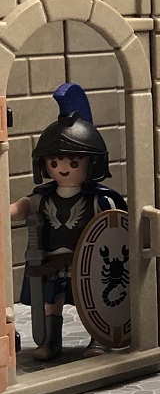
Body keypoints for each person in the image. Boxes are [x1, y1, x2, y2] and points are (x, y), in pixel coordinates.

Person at [9, 83, 126, 361]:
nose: (62, 168)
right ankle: (51, 341)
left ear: (91, 164)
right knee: (51, 301)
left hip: (90, 263)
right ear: (44, 164)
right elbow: (20, 208)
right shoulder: (43, 197)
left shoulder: (99, 200)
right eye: (55, 162)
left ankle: (100, 339)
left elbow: (114, 229)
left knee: (96, 298)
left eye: (73, 163)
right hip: (51, 262)